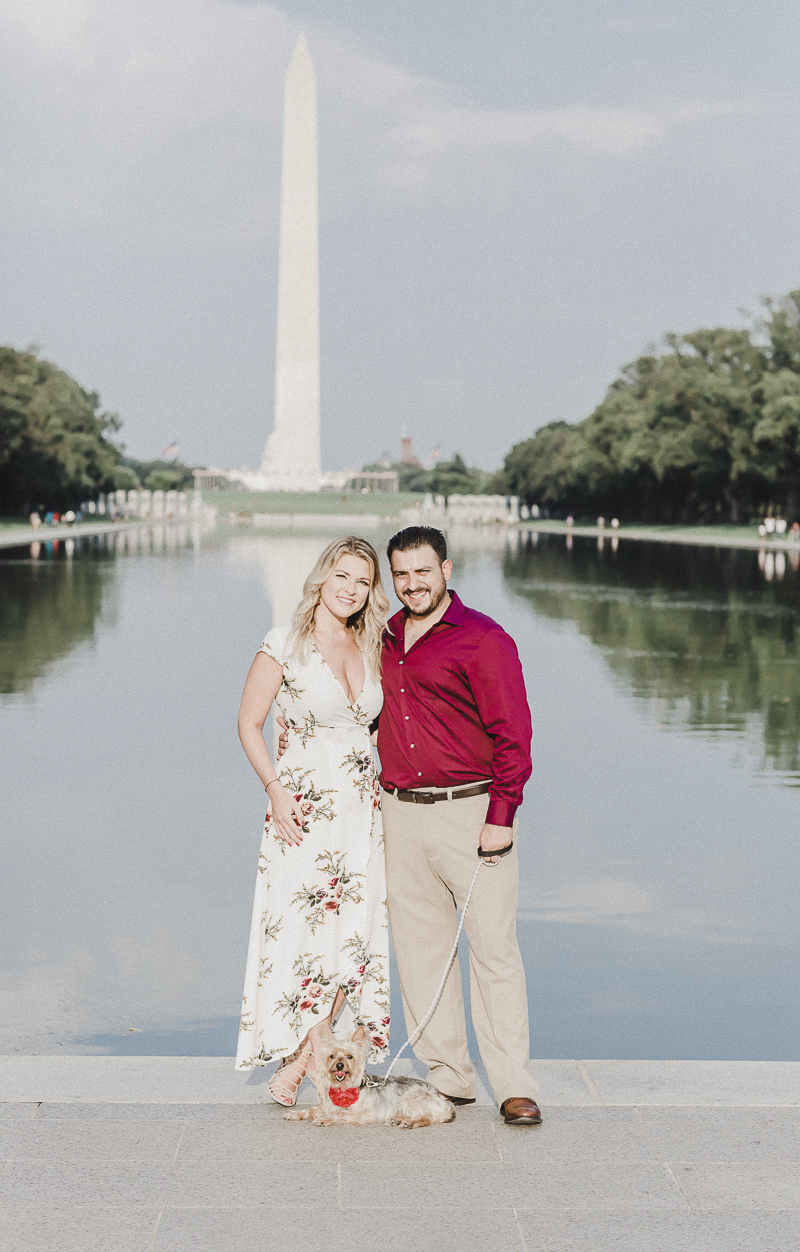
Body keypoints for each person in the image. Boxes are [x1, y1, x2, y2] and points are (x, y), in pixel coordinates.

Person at [378, 525, 542, 1126]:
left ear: (446, 570)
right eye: (401, 574)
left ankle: (513, 1084)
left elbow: (513, 737)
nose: (412, 584)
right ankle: (449, 1075)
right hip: (400, 812)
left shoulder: (483, 640)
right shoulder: (384, 635)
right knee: (421, 953)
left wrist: (502, 816)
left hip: (472, 811)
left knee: (494, 951)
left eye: (423, 571)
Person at [235, 536, 391, 1106]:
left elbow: (374, 732)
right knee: (305, 940)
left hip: (360, 815)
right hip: (301, 813)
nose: (351, 589)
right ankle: (301, 1057)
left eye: (363, 582)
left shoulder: (371, 646)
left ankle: (302, 1063)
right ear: (322, 577)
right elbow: (249, 723)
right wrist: (274, 789)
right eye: (342, 576)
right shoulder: (284, 643)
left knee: (353, 941)